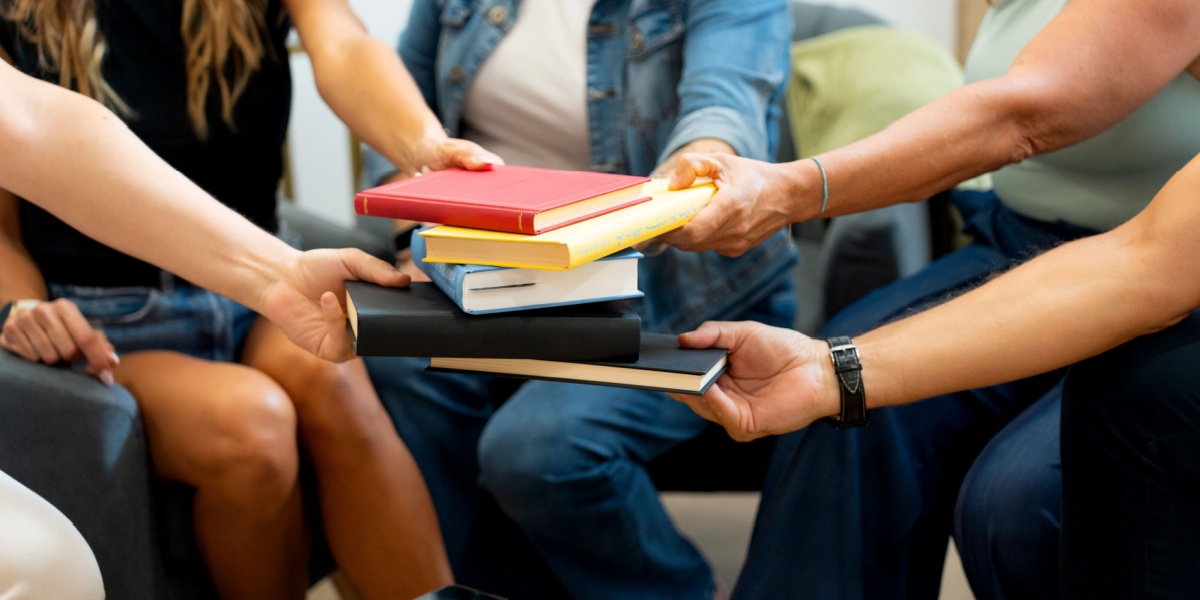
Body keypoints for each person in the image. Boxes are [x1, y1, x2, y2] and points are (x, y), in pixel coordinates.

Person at [656, 0, 1200, 598]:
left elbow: (1021, 122)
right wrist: (828, 372)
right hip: (1027, 241)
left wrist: (788, 190)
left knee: (1015, 507)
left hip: (1152, 276)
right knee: (842, 413)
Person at [0, 1, 498, 597]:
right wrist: (22, 306)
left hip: (252, 295)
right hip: (111, 319)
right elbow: (25, 138)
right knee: (252, 425)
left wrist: (423, 145)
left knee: (335, 382)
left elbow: (343, 45)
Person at [359, 0, 798, 597]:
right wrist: (415, 231)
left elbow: (724, 108)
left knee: (536, 453)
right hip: (477, 271)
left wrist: (678, 190)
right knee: (392, 365)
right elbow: (396, 101)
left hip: (670, 291)